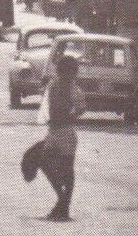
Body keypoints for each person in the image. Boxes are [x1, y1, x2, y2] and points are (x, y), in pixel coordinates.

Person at [36, 55, 86, 221]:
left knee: (66, 170)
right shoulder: (55, 85)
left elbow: (81, 108)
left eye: (71, 73)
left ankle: (63, 207)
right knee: (44, 162)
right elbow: (46, 103)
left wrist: (71, 115)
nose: (69, 76)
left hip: (65, 132)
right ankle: (63, 202)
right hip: (54, 131)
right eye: (66, 72)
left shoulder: (73, 89)